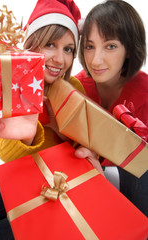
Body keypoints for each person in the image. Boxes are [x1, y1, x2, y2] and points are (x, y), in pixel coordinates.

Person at [0, 0, 104, 239]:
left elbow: (91, 146)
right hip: (24, 179)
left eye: (68, 49)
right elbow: (4, 152)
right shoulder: (12, 85)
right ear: (32, 44)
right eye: (51, 44)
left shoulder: (74, 88)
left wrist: (69, 136)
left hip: (63, 184)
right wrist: (28, 135)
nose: (60, 59)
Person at [75, 0, 148, 216]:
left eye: (111, 46)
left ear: (129, 49)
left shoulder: (145, 92)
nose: (96, 60)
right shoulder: (73, 90)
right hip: (82, 193)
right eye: (89, 46)